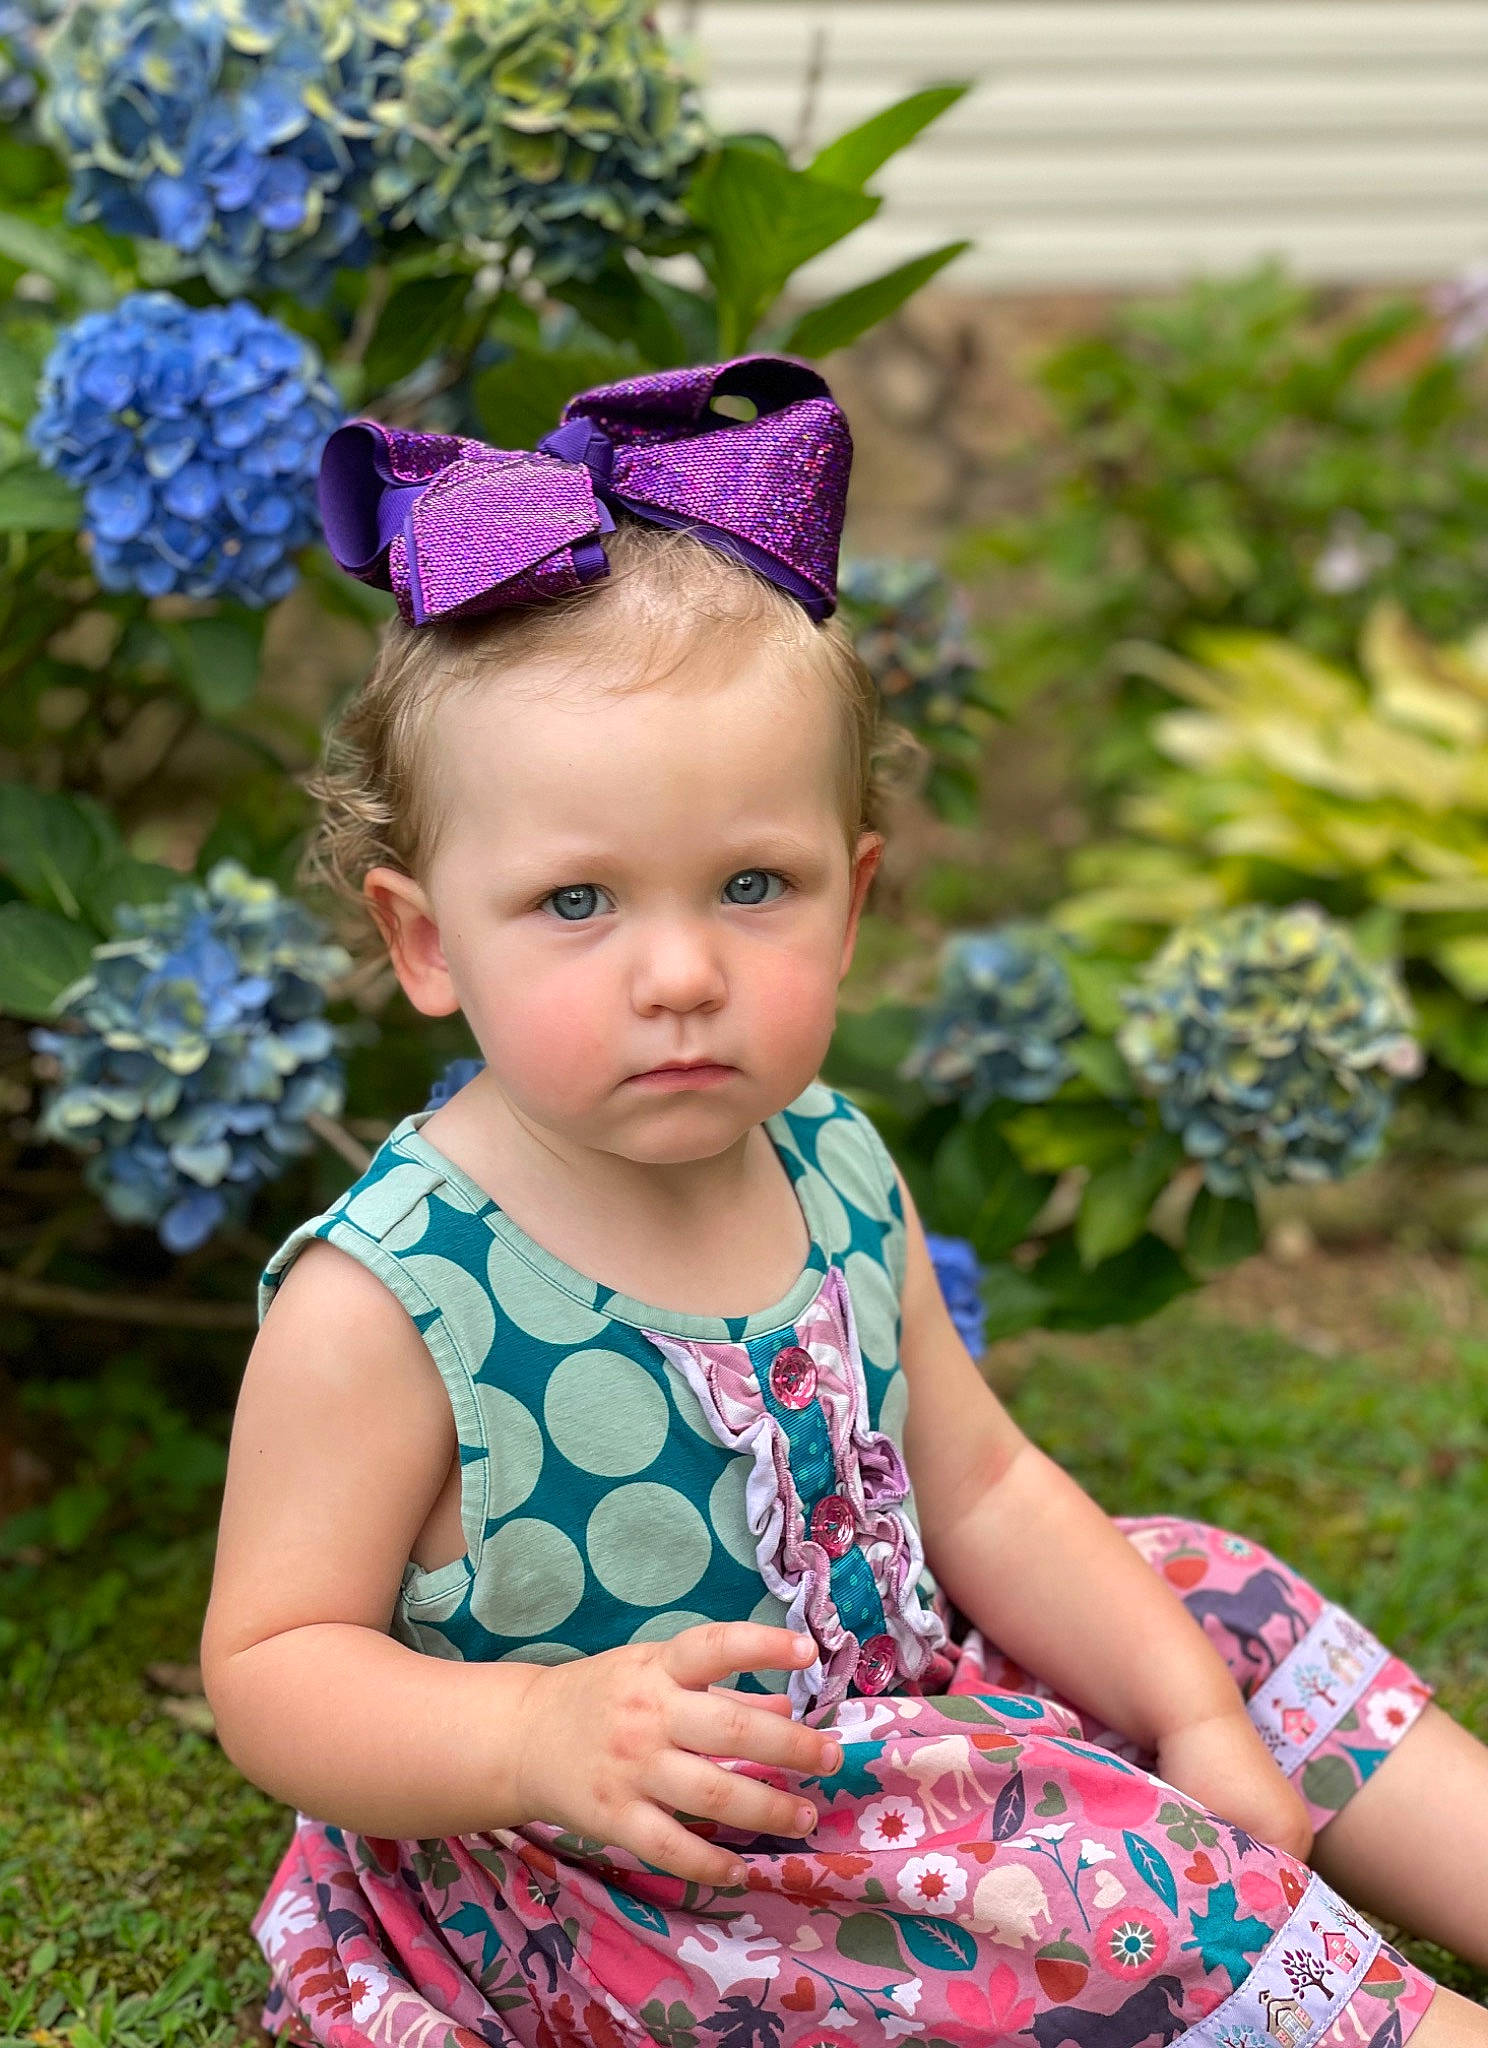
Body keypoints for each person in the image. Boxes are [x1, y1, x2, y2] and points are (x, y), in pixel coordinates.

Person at [200, 358, 1488, 2048]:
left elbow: (992, 1491)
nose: (680, 973)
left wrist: (1189, 1716)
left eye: (753, 886)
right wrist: (532, 1738)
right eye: (576, 900)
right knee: (1067, 1859)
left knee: (1198, 1590)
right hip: (657, 1863)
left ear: (854, 896)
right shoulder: (389, 1302)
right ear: (426, 940)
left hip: (894, 1714)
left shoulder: (837, 1163)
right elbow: (276, 1661)